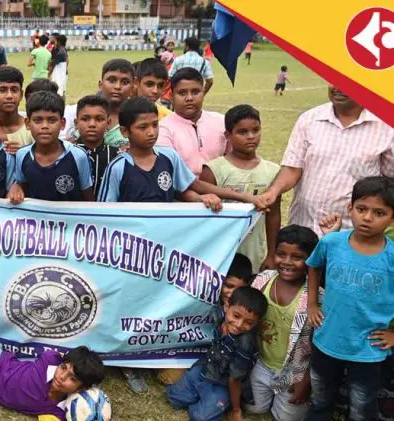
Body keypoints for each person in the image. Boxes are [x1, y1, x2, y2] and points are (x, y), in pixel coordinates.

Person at [280, 176, 394, 421]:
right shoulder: (332, 242)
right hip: (327, 340)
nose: (368, 218)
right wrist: (315, 305)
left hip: (367, 350)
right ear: (350, 208)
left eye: (379, 213)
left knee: (362, 408)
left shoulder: (391, 256)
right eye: (361, 209)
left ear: (392, 218)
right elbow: (314, 266)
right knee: (321, 394)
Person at [253, 86, 394, 235]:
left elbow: (389, 181)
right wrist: (273, 191)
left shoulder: (386, 126)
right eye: (333, 80)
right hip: (304, 229)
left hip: (352, 235)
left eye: (346, 82)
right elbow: (292, 168)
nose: (338, 87)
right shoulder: (310, 119)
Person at [99, 97, 258, 208]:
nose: (151, 132)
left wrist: (202, 198)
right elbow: (104, 212)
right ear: (125, 131)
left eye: (155, 125)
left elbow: (190, 186)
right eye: (143, 127)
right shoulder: (117, 168)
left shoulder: (169, 156)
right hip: (133, 245)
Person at [245, 225, 320, 421]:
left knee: (286, 419)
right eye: (281, 254)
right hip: (260, 362)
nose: (287, 262)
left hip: (293, 370)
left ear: (310, 261)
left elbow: (319, 343)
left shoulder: (315, 297)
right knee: (255, 408)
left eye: (297, 257)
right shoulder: (262, 280)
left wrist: (305, 379)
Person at [166, 286, 268, 421]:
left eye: (248, 323)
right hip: (206, 368)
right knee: (174, 399)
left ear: (256, 324)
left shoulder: (245, 344)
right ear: (226, 306)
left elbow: (235, 380)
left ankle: (213, 403)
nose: (239, 325)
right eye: (236, 316)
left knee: (202, 418)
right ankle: (198, 397)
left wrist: (236, 409)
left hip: (223, 384)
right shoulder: (220, 315)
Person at [200, 105, 280, 272]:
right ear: (228, 135)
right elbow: (203, 216)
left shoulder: (273, 171)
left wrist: (272, 254)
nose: (251, 137)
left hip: (256, 252)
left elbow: (274, 215)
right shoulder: (214, 169)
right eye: (242, 132)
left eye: (256, 130)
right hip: (221, 253)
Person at [158, 253, 255, 385]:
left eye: (239, 289)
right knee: (168, 377)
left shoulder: (241, 311)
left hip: (211, 359)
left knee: (172, 379)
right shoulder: (202, 295)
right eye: (228, 286)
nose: (232, 293)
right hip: (184, 347)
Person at [9, 91, 93, 203]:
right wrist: (16, 187)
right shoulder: (22, 155)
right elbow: (21, 185)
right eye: (38, 120)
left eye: (52, 120)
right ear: (28, 123)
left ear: (62, 123)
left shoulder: (78, 156)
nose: (45, 126)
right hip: (35, 220)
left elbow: (88, 197)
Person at [156, 68, 228, 176]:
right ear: (171, 97)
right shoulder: (163, 129)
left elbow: (234, 161)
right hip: (181, 191)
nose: (189, 98)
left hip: (221, 189)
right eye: (182, 93)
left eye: (195, 92)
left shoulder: (222, 122)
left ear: (203, 93)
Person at [72, 95, 118, 197]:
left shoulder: (118, 157)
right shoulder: (66, 154)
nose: (92, 124)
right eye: (85, 119)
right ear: (76, 123)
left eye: (99, 119)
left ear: (108, 123)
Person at [0, 66, 33, 150]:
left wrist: (22, 153)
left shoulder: (32, 129)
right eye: (2, 90)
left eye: (14, 90)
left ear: (21, 94)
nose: (9, 96)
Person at [48, 34, 68, 100]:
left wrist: (49, 73)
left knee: (58, 90)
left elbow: (53, 63)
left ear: (58, 41)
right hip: (60, 73)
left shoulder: (60, 52)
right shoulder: (61, 49)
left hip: (59, 74)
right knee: (61, 90)